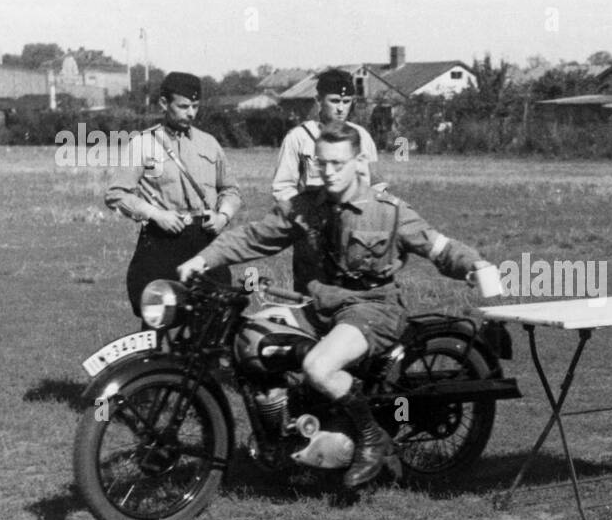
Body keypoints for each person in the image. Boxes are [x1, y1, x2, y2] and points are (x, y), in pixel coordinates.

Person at [178, 125, 494, 489]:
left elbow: (439, 247)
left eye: (337, 164)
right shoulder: (306, 207)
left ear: (359, 161)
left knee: (318, 365)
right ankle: (283, 436)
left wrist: (475, 265)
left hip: (373, 310)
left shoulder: (389, 212)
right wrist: (204, 259)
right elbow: (254, 236)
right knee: (252, 339)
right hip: (319, 308)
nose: (327, 172)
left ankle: (372, 439)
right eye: (321, 163)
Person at [105, 72, 240, 319]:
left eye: (195, 107)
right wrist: (155, 214)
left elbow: (230, 189)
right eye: (184, 106)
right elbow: (116, 194)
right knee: (159, 321)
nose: (191, 113)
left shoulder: (209, 143)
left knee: (216, 320)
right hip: (161, 244)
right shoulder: (144, 144)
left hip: (206, 242)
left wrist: (223, 216)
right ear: (164, 104)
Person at [271, 68, 379, 290]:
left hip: (354, 232)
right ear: (319, 100)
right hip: (313, 233)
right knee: (310, 298)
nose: (341, 108)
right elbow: (282, 187)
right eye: (334, 100)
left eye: (347, 101)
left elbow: (375, 183)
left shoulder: (361, 136)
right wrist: (303, 217)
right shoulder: (299, 137)